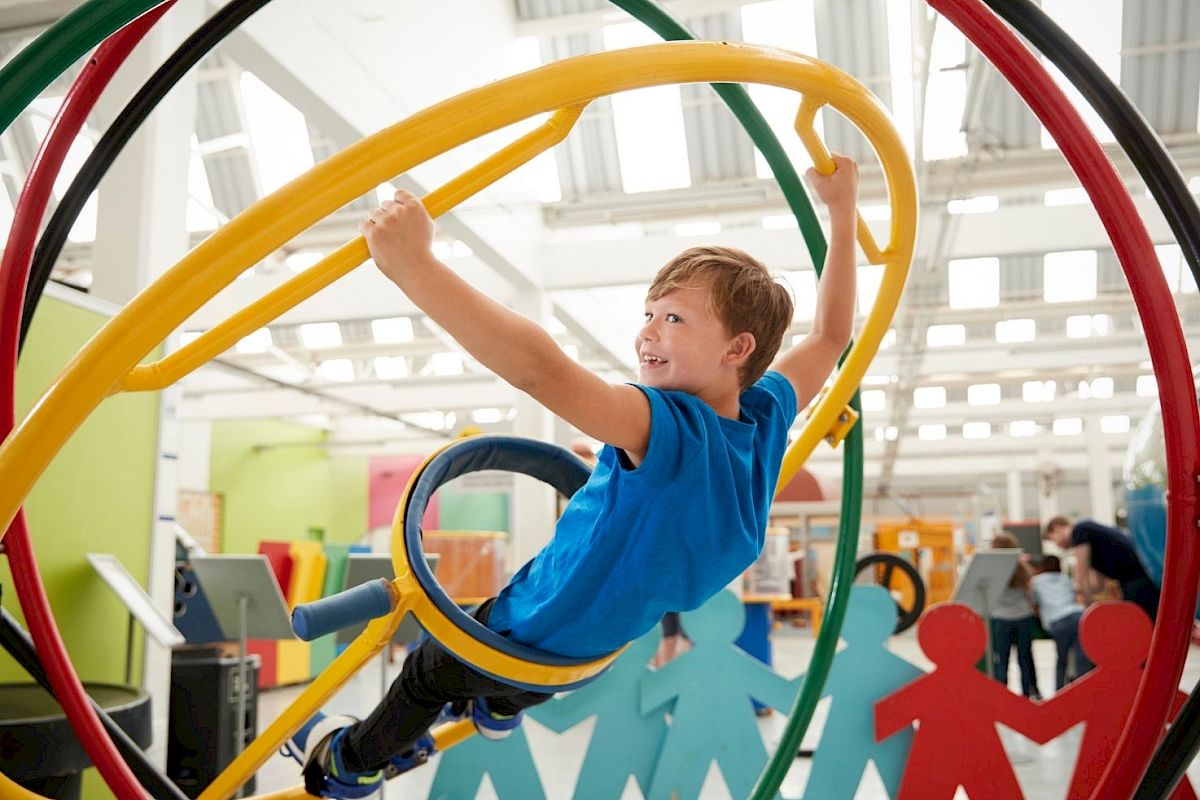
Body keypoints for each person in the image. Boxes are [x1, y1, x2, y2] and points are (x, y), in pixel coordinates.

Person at [286, 154, 862, 799]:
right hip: (586, 655)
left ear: (738, 349)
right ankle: (501, 708)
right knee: (511, 662)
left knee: (427, 673)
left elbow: (543, 370)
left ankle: (348, 765)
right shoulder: (764, 412)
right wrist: (841, 211)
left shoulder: (665, 426)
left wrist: (412, 265)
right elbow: (834, 334)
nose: (648, 332)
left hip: (523, 634)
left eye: (674, 318)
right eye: (648, 313)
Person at [1043, 516, 1160, 621]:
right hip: (1132, 580)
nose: (1057, 545)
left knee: (1141, 623)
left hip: (1138, 578)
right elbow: (1098, 586)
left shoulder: (1079, 530)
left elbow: (1081, 575)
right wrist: (1073, 591)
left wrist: (1087, 608)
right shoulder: (1090, 541)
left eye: (1053, 540)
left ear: (1056, 528)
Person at [988, 533, 1041, 700]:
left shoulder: (992, 571)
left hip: (1000, 619)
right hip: (1023, 617)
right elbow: (1030, 595)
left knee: (1001, 660)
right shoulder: (1023, 569)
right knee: (1025, 658)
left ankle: (1001, 695)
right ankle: (1029, 692)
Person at [1029, 554, 1092, 691]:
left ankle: (1059, 692)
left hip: (1058, 622)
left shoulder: (1036, 581)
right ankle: (1085, 691)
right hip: (1078, 616)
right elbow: (1074, 596)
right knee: (1081, 658)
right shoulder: (1065, 579)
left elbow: (1032, 603)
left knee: (1061, 660)